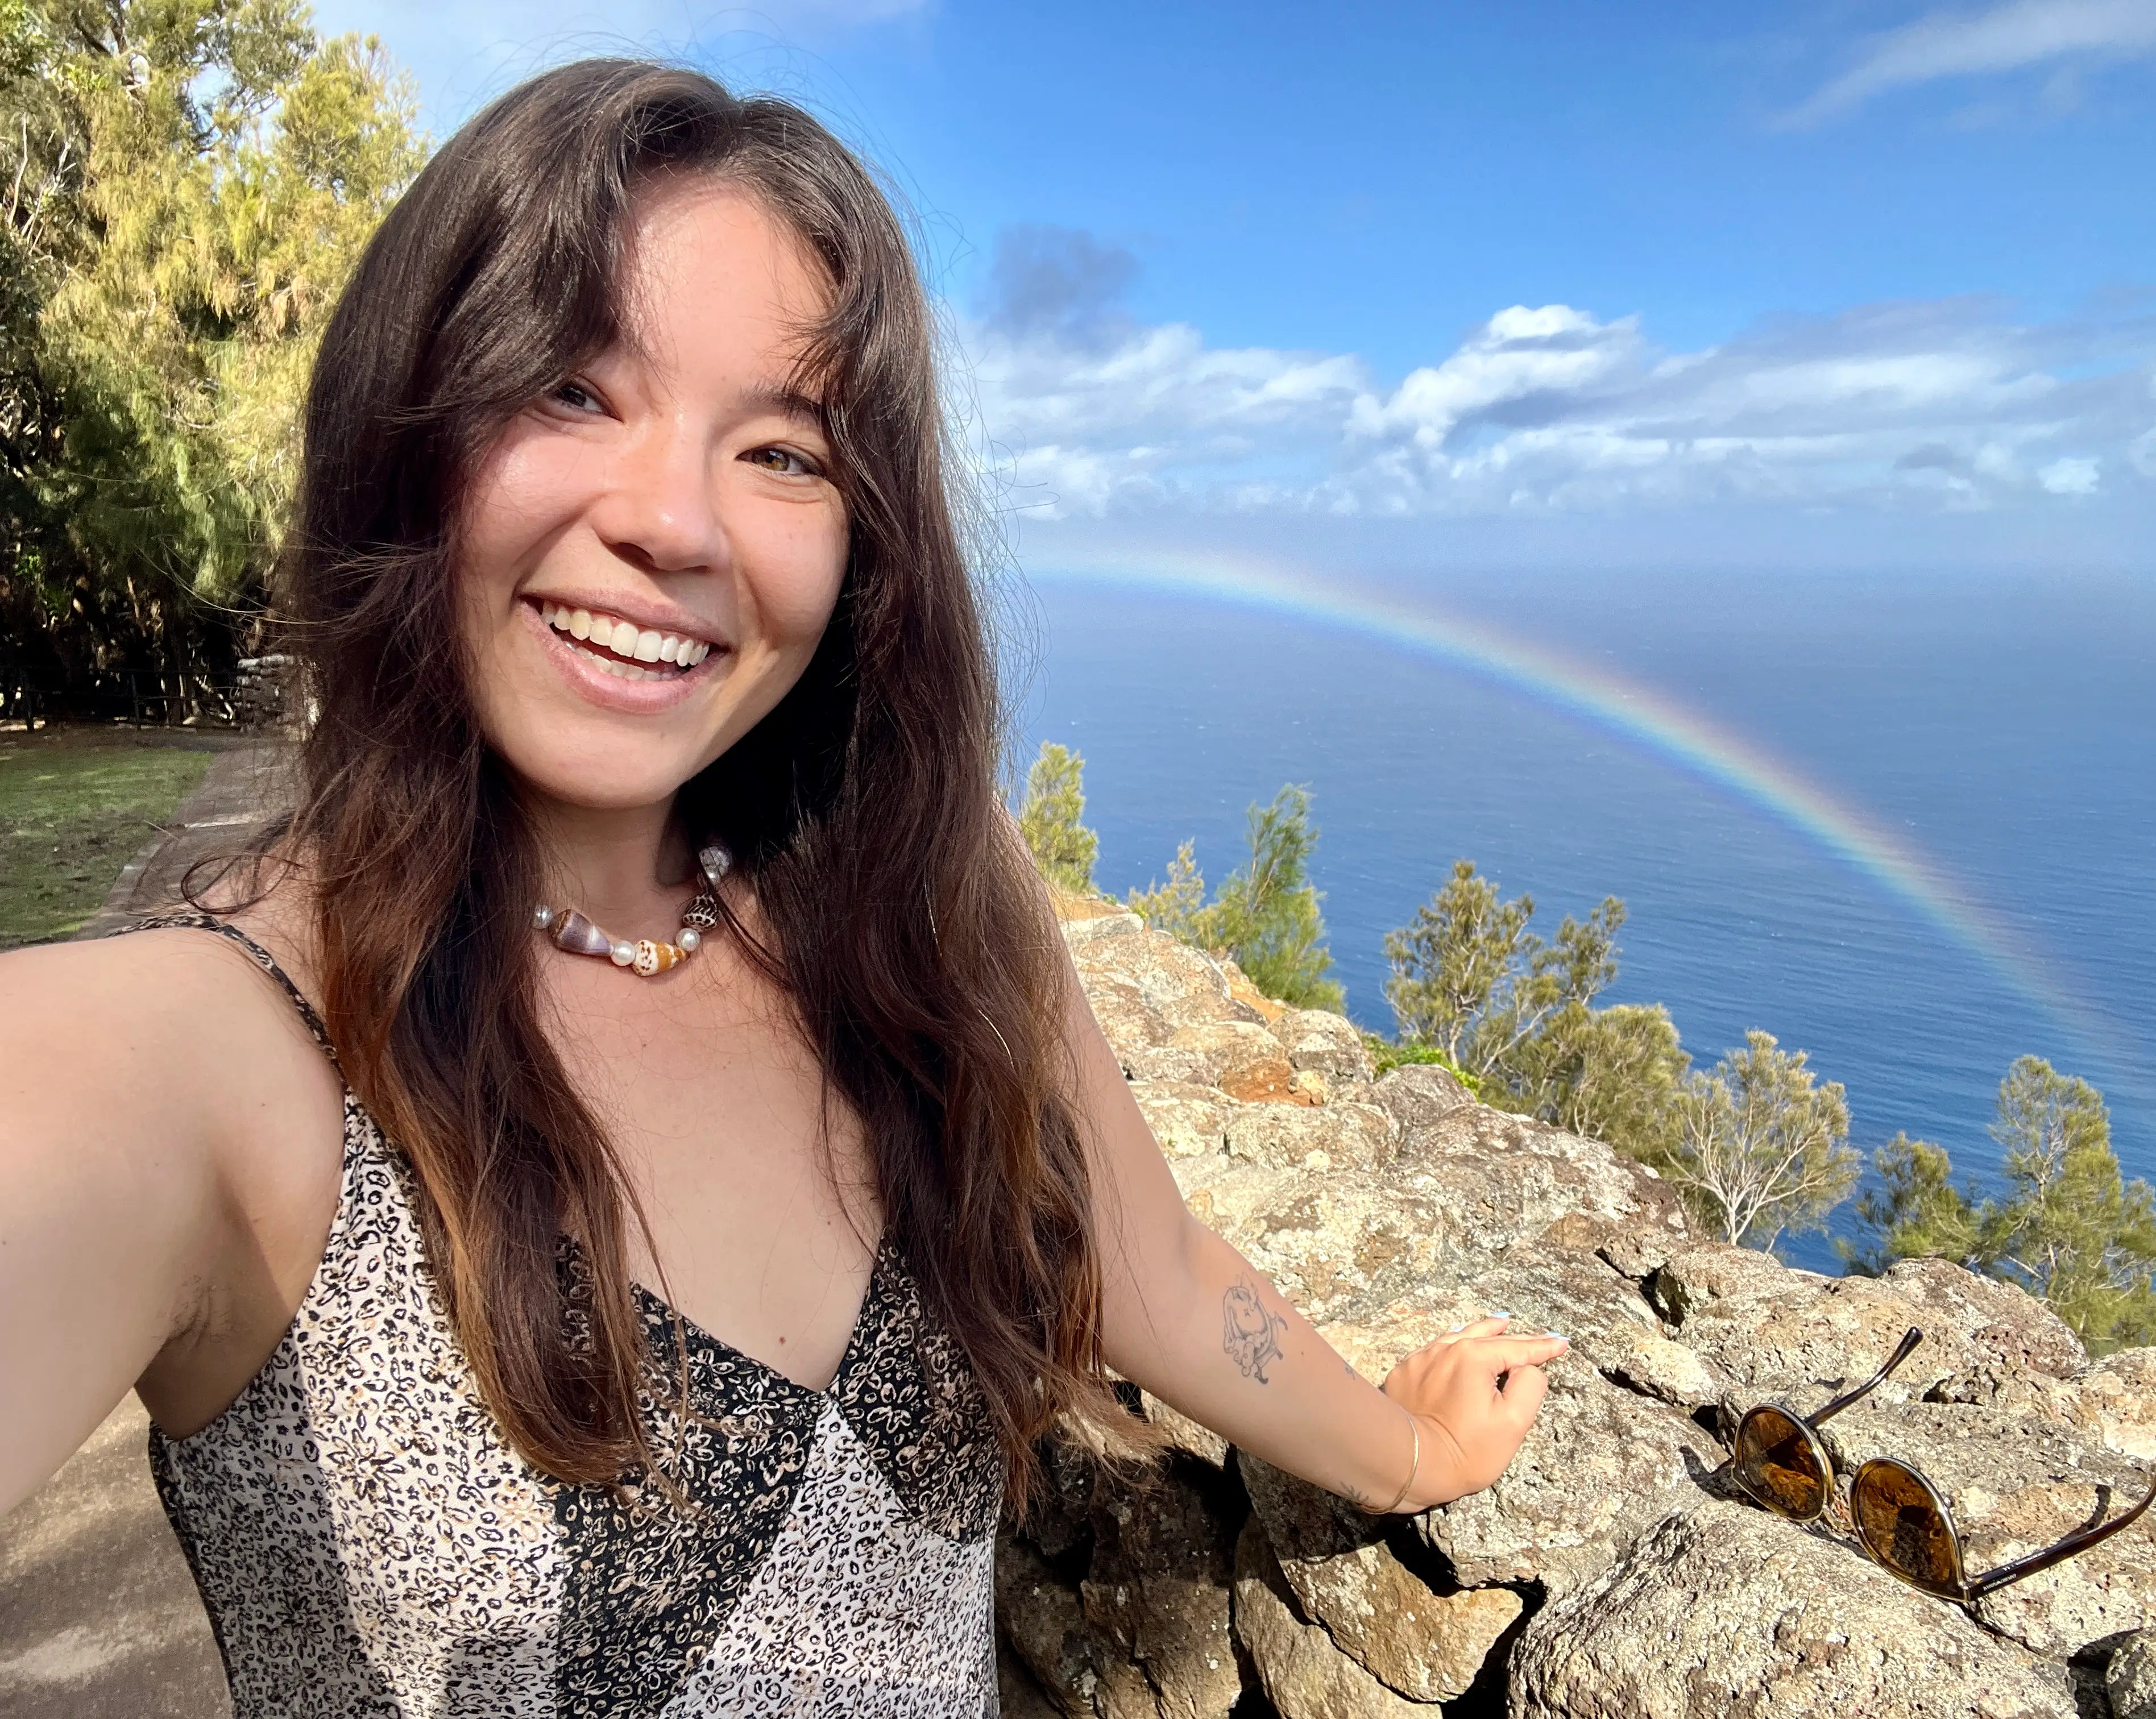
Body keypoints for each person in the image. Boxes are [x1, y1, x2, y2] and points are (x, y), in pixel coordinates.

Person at [0, 60, 1564, 1714]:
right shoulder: (222, 1046)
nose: (677, 524)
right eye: (572, 391)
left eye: (783, 452)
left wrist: (1409, 1453)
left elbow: (1150, 1267)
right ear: (406, 432)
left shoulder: (915, 911)